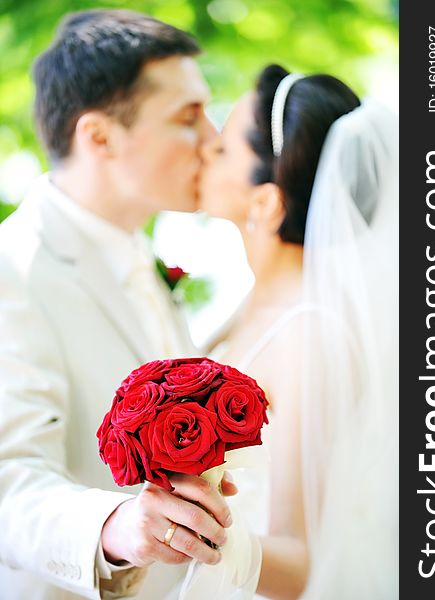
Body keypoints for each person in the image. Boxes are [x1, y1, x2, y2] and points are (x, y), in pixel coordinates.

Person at [0, 10, 237, 600]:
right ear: (100, 137)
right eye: (189, 117)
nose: (215, 138)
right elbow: (9, 483)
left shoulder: (141, 256)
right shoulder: (13, 268)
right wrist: (116, 528)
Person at [200, 64, 398, 598]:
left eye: (222, 150)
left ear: (264, 201)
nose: (203, 150)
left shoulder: (308, 336)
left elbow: (302, 561)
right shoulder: (249, 304)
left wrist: (193, 537)